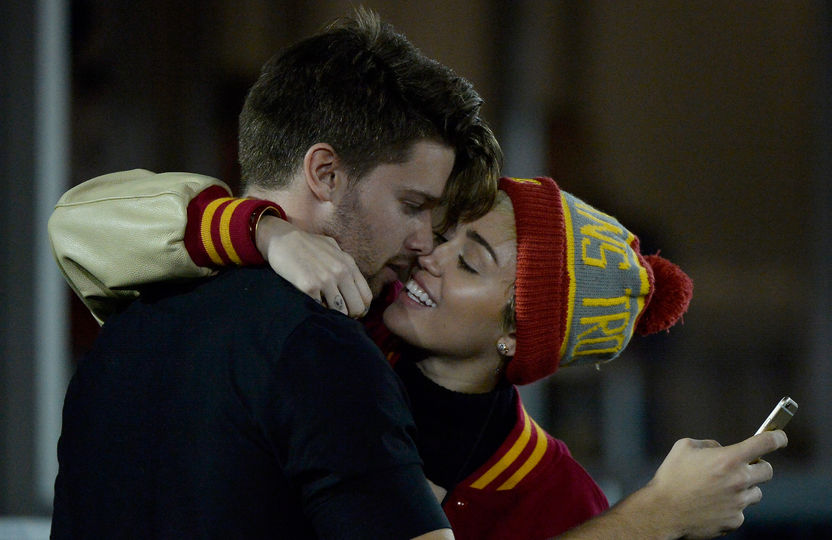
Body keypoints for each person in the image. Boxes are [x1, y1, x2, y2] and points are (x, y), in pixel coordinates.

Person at [51, 170, 787, 538]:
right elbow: (81, 220)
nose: (426, 254)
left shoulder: (555, 495)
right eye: (442, 230)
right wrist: (267, 233)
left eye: (469, 262)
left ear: (516, 337)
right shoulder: (332, 332)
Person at [51, 10, 501, 539]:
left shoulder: (125, 326)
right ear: (325, 174)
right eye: (412, 205)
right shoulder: (322, 352)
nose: (425, 240)